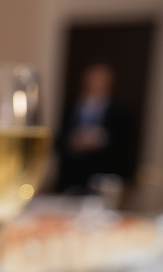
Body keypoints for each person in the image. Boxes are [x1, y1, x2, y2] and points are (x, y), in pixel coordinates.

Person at [55, 63, 135, 194]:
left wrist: (101, 140)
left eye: (99, 79)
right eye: (91, 79)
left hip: (104, 176)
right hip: (72, 178)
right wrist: (73, 141)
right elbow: (59, 140)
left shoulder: (120, 111)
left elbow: (125, 144)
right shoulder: (72, 107)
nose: (95, 83)